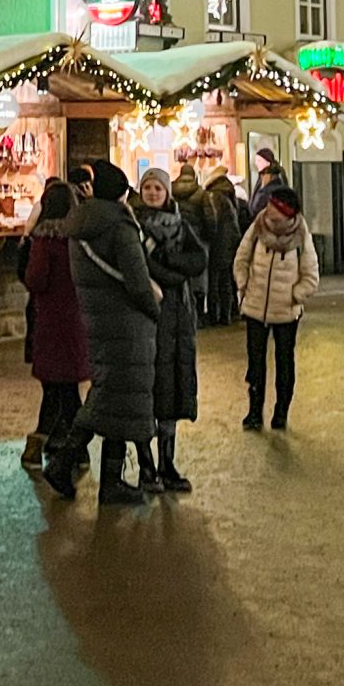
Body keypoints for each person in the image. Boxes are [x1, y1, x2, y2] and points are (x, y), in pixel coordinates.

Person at [42, 161, 159, 506]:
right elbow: (138, 282)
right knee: (112, 395)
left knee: (114, 396)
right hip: (125, 322)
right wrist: (155, 310)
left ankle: (110, 481)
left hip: (98, 319)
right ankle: (67, 462)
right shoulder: (119, 227)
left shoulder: (82, 224)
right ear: (121, 193)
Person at [136, 167, 206, 491]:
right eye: (147, 187)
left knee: (173, 389)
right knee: (148, 392)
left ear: (167, 192)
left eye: (157, 188)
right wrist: (172, 272)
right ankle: (146, 467)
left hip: (179, 320)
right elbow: (144, 267)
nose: (152, 193)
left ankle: (167, 464)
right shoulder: (134, 226)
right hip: (150, 318)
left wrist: (172, 267)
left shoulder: (180, 224)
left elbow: (199, 259)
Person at [235, 185, 318, 431]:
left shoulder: (301, 237)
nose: (268, 209)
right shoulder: (257, 227)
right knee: (255, 364)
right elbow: (241, 258)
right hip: (255, 308)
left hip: (286, 313)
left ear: (286, 212)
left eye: (274, 206)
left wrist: (295, 295)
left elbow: (311, 276)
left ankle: (281, 413)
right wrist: (244, 285)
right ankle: (254, 412)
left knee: (284, 363)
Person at [19, 180, 86, 466]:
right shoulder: (80, 240)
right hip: (76, 321)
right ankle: (77, 450)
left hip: (49, 320)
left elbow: (35, 279)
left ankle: (40, 446)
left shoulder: (44, 242)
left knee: (57, 387)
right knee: (67, 387)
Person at [189, 167, 245, 327]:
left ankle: (215, 315)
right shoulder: (228, 194)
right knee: (227, 278)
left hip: (219, 241)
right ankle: (228, 313)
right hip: (230, 241)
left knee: (215, 280)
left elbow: (212, 220)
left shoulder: (215, 196)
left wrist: (209, 238)